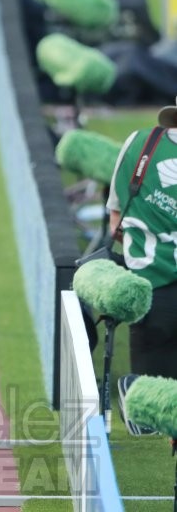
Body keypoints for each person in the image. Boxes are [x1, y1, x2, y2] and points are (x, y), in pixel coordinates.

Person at [107, 103, 177, 382]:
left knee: (148, 405)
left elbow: (116, 219)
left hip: (146, 288)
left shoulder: (140, 143)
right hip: (153, 290)